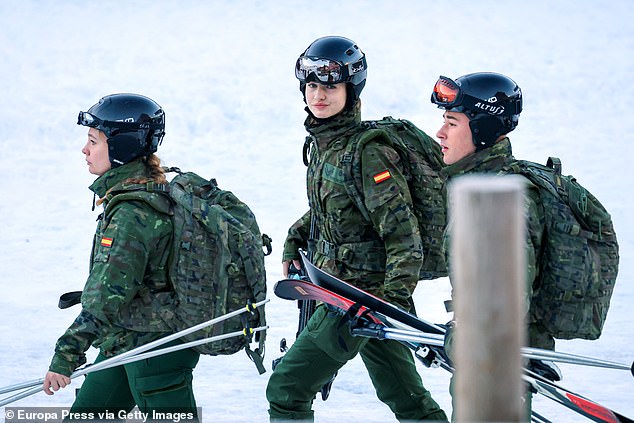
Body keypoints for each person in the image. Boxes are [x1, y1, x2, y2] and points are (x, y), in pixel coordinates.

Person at [266, 35, 448, 422]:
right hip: (351, 293)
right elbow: (336, 209)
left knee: (287, 389)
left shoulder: (367, 151)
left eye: (330, 86)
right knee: (406, 398)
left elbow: (404, 237)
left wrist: (389, 305)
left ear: (352, 89)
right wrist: (296, 237)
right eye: (312, 85)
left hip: (357, 300)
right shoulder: (327, 144)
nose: (319, 95)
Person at [43, 93, 200, 419]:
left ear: (122, 147)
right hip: (126, 340)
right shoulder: (141, 193)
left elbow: (108, 294)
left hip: (157, 353)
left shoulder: (132, 213)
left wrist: (67, 354)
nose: (85, 150)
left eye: (93, 141)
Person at [430, 72, 561, 419]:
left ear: (484, 130)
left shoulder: (500, 198)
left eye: (452, 123)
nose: (440, 134)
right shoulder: (478, 185)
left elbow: (506, 304)